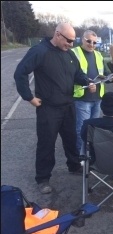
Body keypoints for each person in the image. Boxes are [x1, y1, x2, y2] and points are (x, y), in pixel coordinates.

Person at [13, 23, 95, 194]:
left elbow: (77, 74)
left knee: (71, 139)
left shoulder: (70, 54)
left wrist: (87, 81)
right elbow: (20, 73)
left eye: (73, 41)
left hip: (68, 105)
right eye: (68, 40)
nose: (71, 45)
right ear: (58, 35)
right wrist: (29, 97)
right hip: (48, 109)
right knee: (46, 144)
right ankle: (43, 178)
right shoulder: (39, 51)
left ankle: (73, 165)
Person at [72, 30, 113, 153]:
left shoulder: (98, 55)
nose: (92, 44)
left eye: (94, 42)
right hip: (82, 98)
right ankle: (81, 157)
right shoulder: (74, 53)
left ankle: (90, 154)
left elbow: (105, 74)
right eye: (89, 41)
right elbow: (71, 75)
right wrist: (87, 83)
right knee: (82, 129)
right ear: (82, 39)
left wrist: (112, 78)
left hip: (97, 98)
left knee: (93, 128)